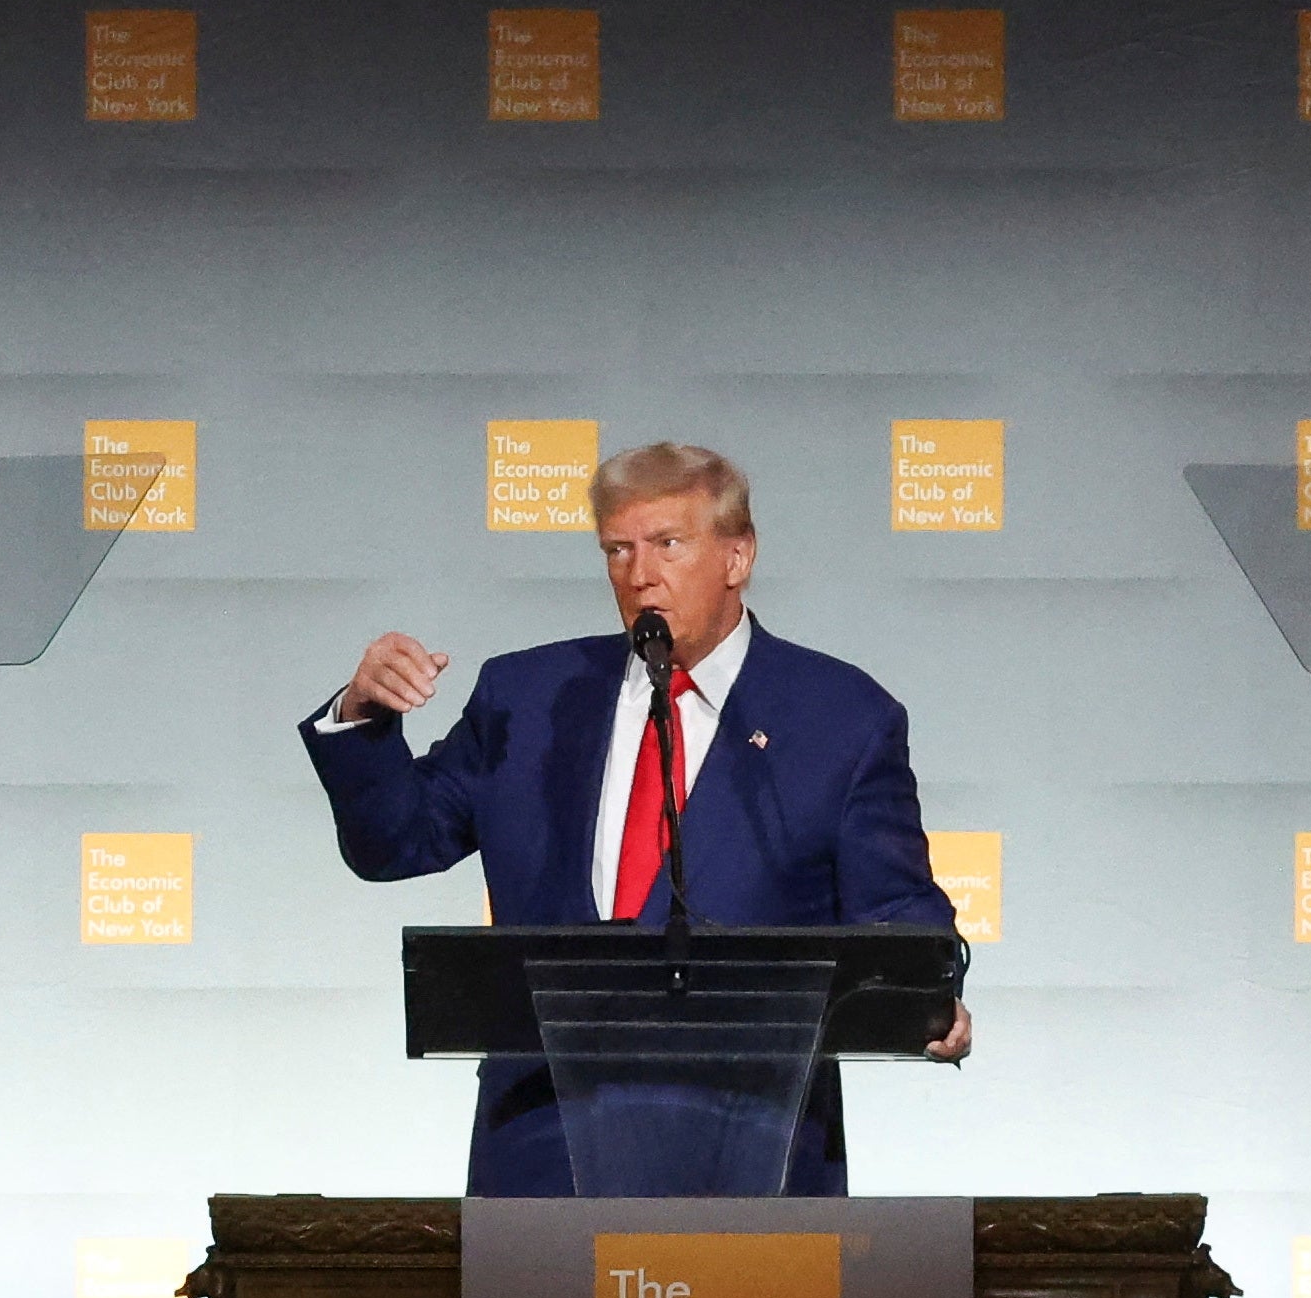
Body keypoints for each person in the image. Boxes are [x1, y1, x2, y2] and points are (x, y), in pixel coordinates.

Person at [301, 441, 970, 1195]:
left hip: (752, 1149)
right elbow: (394, 841)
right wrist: (361, 715)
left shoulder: (839, 716)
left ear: (737, 555)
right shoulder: (527, 696)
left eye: (667, 544)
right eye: (617, 549)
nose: (638, 573)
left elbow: (895, 905)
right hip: (544, 1154)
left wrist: (929, 990)